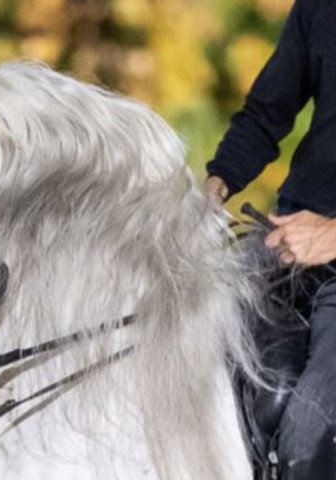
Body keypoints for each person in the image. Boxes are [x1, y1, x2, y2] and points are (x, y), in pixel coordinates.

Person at [204, 0, 336, 477]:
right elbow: (265, 114)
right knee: (159, 337)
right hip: (287, 239)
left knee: (309, 433)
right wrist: (211, 189)